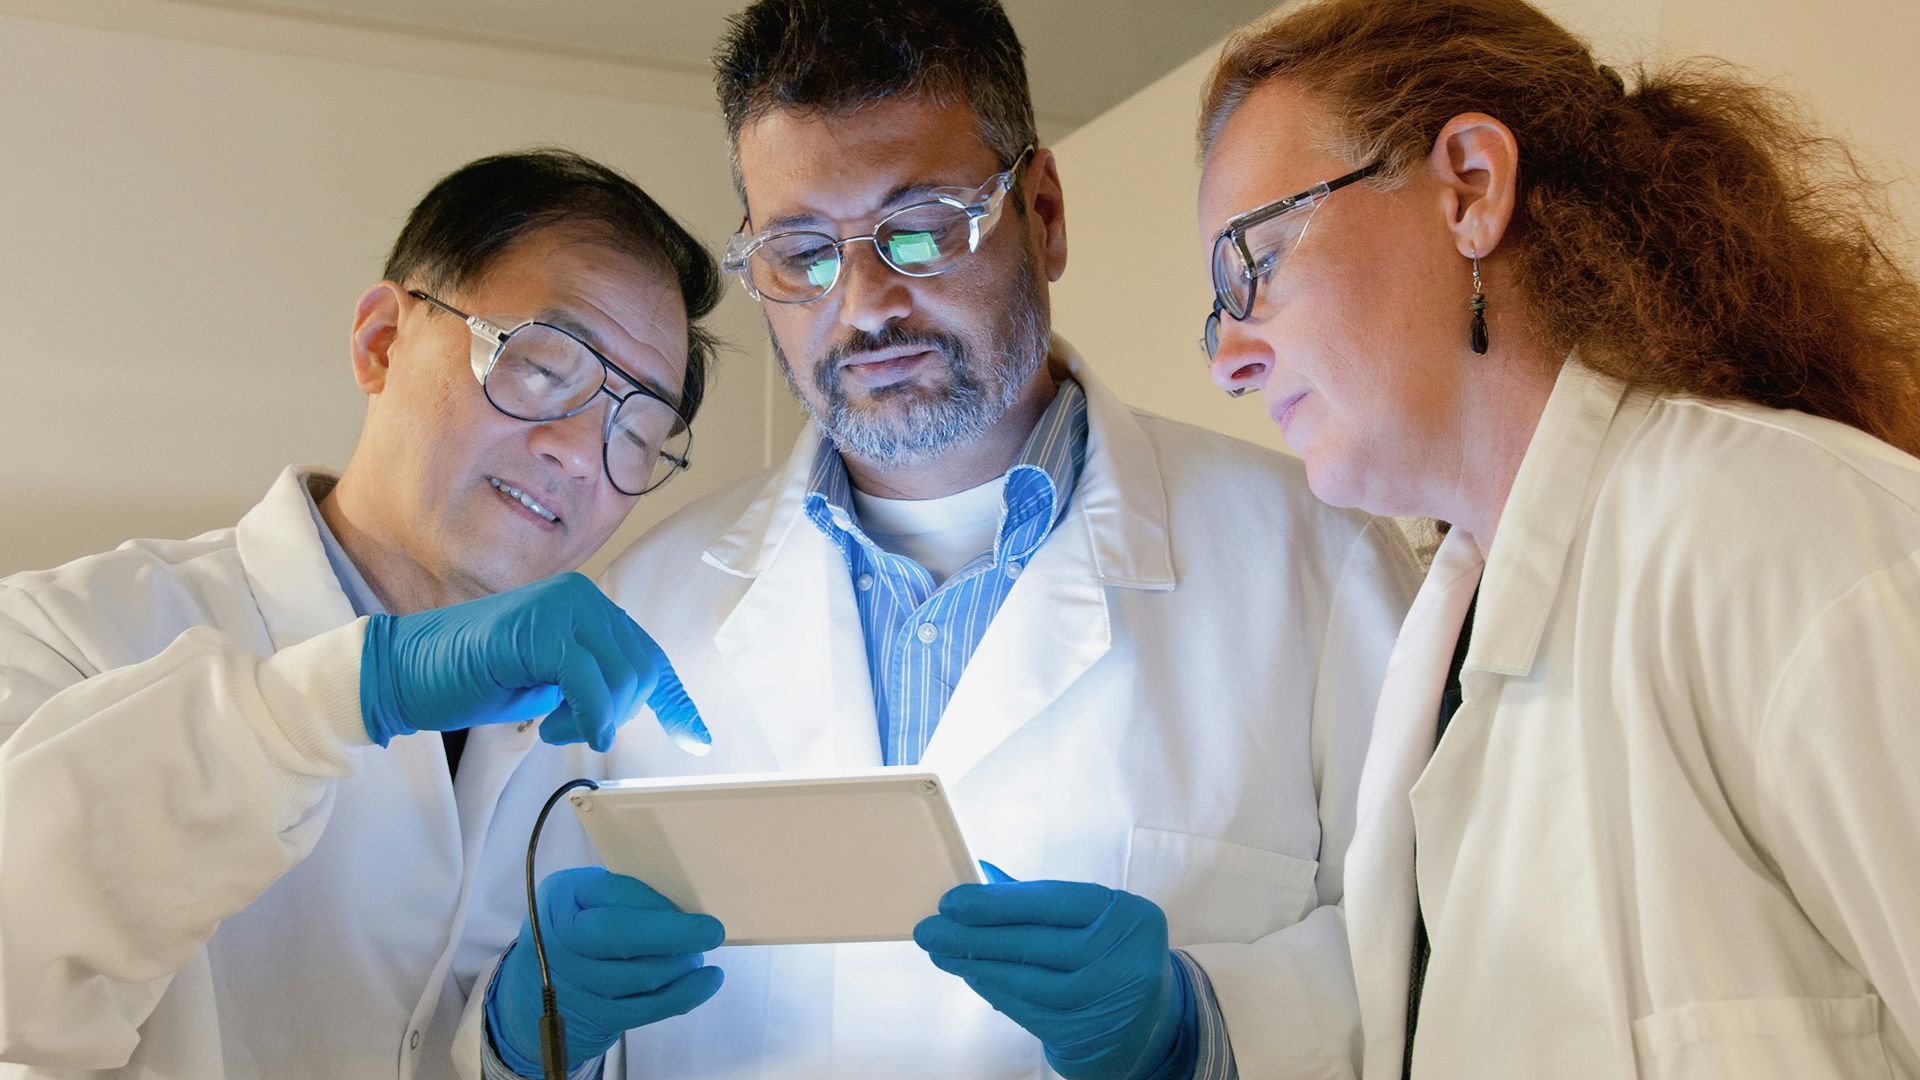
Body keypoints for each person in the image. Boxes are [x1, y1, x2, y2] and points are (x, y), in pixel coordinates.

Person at [590, 2, 1424, 1077]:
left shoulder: (1319, 562)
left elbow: (1441, 958)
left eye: (926, 225)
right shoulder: (640, 609)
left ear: (1044, 213)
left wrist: (1201, 1026)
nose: (867, 305)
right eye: (802, 252)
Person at [1194, 0, 1920, 1076]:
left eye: (1253, 262)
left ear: (1470, 188)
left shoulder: (1792, 538)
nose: (1231, 358)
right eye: (1217, 309)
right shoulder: (1436, 652)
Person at [0, 149, 729, 1080]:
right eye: (546, 366)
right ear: (381, 340)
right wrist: (332, 700)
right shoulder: (68, 633)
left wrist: (516, 1052)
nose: (580, 455)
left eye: (635, 431)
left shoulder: (599, 751)